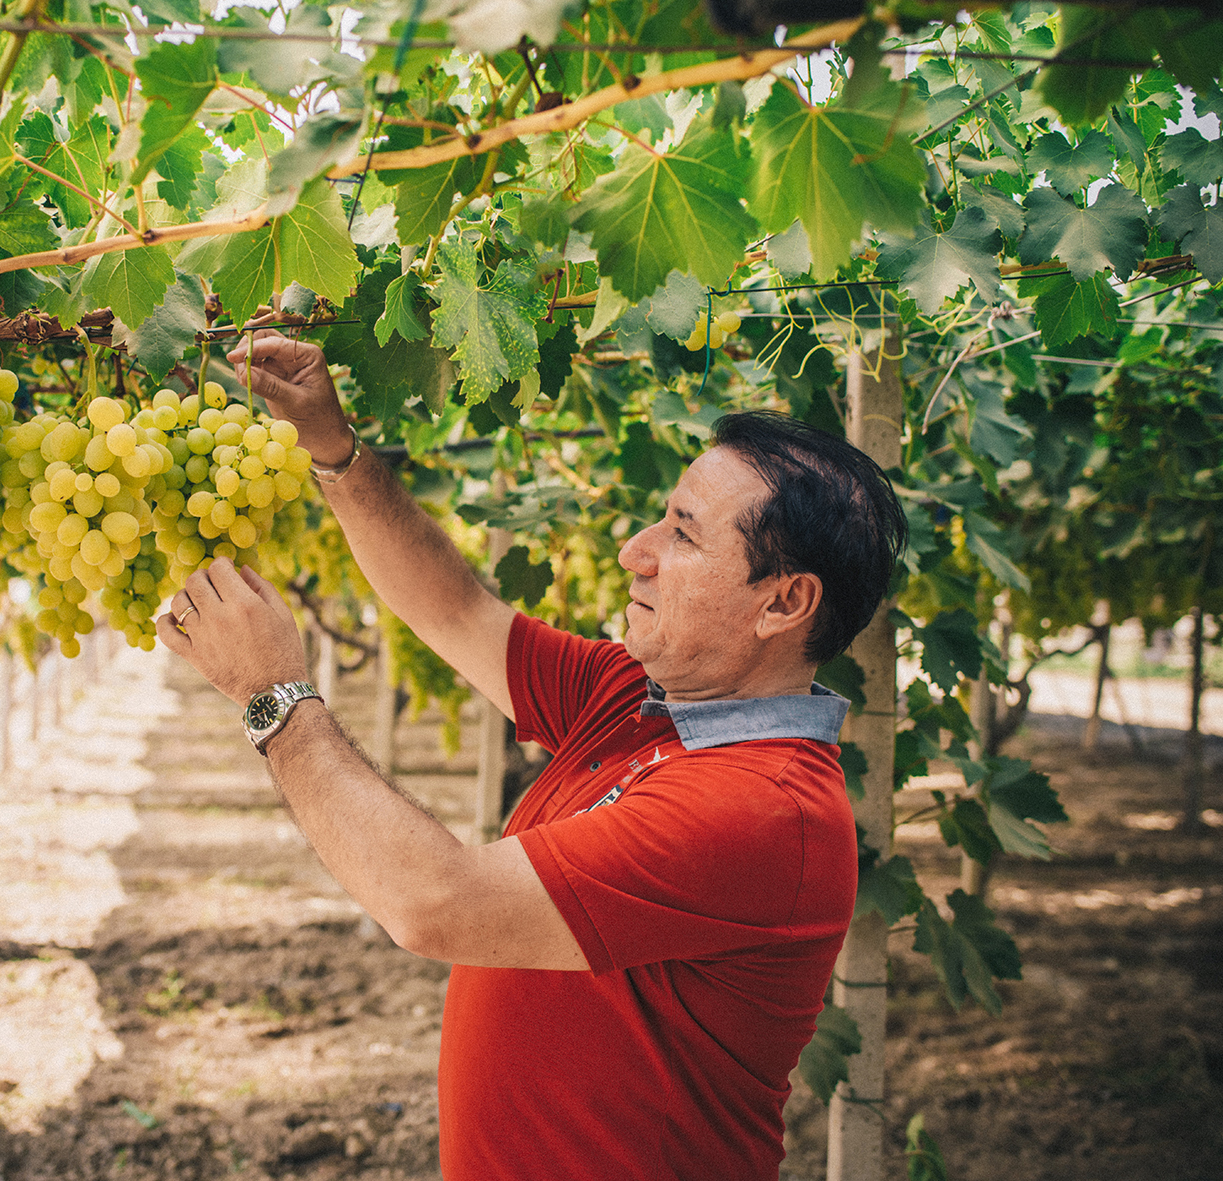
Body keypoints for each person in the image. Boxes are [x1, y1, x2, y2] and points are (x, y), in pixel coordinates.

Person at [155, 331, 908, 1181]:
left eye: (684, 536)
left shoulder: (764, 810)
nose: (635, 550)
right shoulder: (640, 695)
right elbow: (456, 611)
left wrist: (274, 695)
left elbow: (432, 902)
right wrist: (335, 450)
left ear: (784, 602)